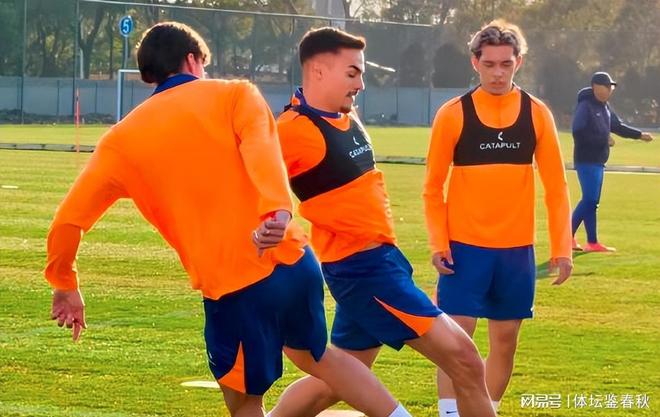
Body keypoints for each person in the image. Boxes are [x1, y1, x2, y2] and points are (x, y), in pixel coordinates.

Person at [44, 21, 413, 417]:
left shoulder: (119, 141)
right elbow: (262, 149)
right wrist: (277, 211)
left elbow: (69, 221)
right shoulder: (236, 93)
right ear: (192, 60)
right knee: (320, 357)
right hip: (294, 260)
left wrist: (65, 282)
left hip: (233, 285)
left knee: (245, 402)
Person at [268, 27, 496, 417]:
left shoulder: (345, 116)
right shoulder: (291, 129)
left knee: (336, 382)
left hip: (382, 260)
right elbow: (250, 180)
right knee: (465, 359)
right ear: (318, 71)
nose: (361, 84)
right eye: (352, 73)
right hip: (363, 272)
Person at [423, 20, 573, 417]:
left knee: (505, 343)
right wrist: (438, 243)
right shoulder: (453, 114)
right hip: (464, 250)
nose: (497, 73)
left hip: (516, 251)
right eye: (489, 64)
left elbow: (556, 188)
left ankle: (486, 411)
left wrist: (562, 248)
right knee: (455, 344)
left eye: (506, 64)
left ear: (518, 62)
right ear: (475, 62)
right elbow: (432, 188)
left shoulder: (537, 113)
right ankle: (450, 414)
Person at [571, 71, 654, 252]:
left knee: (592, 202)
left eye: (611, 87)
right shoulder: (585, 106)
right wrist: (603, 139)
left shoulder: (605, 107)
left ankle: (592, 243)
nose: (610, 90)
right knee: (589, 199)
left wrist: (639, 135)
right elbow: (578, 130)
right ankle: (566, 235)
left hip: (599, 160)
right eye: (607, 87)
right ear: (596, 87)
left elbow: (618, 127)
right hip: (586, 160)